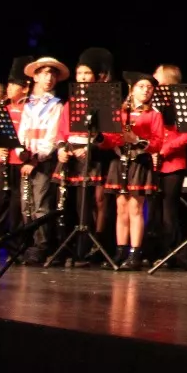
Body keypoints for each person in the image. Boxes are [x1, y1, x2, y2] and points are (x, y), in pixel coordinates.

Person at [104, 73, 164, 270]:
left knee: (135, 208)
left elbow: (157, 143)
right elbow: (109, 137)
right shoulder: (120, 112)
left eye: (149, 87)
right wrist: (116, 139)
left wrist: (137, 140)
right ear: (132, 89)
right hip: (120, 160)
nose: (146, 90)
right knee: (121, 207)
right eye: (141, 86)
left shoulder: (154, 114)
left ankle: (135, 252)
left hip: (139, 162)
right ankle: (120, 250)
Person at [15, 56, 69, 264]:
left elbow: (53, 136)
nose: (49, 78)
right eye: (45, 73)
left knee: (41, 204)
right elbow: (22, 131)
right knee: (26, 203)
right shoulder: (28, 104)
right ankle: (28, 242)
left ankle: (42, 245)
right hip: (27, 159)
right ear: (36, 76)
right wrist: (23, 154)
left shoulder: (56, 105)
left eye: (53, 75)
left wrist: (36, 159)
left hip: (43, 160)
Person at [65, 48, 116, 254]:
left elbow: (112, 134)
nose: (83, 77)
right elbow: (63, 129)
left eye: (87, 73)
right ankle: (81, 243)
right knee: (80, 201)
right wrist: (65, 148)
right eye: (79, 73)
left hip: (99, 154)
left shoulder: (106, 100)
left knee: (99, 199)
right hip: (76, 154)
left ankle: (99, 241)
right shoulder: (73, 101)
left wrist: (93, 145)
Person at [151, 63, 187, 266]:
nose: (152, 77)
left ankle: (172, 253)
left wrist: (164, 150)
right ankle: (155, 250)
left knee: (169, 209)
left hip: (173, 163)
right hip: (151, 162)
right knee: (153, 210)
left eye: (157, 75)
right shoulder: (151, 101)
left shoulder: (182, 102)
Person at [0, 57, 33, 242]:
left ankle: (16, 247)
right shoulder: (2, 108)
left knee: (16, 207)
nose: (9, 89)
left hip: (20, 163)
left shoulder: (30, 109)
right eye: (9, 85)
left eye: (14, 85)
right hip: (2, 162)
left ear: (25, 88)